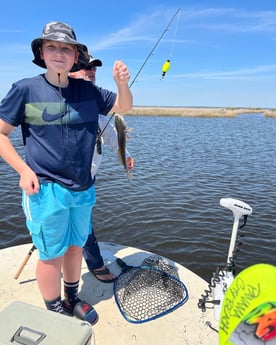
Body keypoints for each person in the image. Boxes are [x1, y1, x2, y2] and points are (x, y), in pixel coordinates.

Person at [0, 21, 132, 324]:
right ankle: (54, 305)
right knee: (51, 255)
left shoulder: (89, 91)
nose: (59, 53)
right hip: (45, 190)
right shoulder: (25, 89)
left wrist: (122, 84)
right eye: (52, 47)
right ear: (41, 53)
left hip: (83, 188)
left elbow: (124, 106)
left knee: (75, 248)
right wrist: (22, 169)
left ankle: (72, 297)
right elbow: (1, 133)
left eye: (66, 48)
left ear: (76, 57)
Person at [70, 59, 134, 283]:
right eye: (85, 67)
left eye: (94, 68)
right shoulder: (60, 103)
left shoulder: (98, 112)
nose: (91, 71)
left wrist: (125, 157)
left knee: (83, 222)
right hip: (60, 179)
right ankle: (94, 264)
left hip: (87, 180)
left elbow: (113, 138)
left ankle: (92, 263)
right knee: (71, 225)